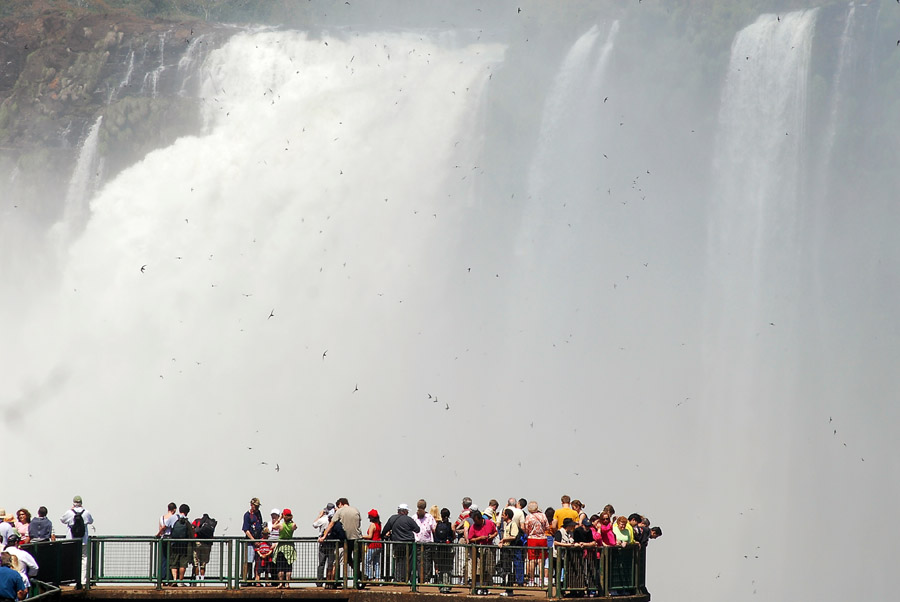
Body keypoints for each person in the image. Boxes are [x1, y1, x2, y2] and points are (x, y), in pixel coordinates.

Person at [320, 498, 361, 581]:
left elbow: (331, 524)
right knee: (356, 559)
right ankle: (358, 576)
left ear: (341, 504)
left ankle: (339, 580)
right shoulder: (356, 510)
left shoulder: (340, 511)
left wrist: (324, 536)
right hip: (357, 539)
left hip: (346, 539)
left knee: (344, 560)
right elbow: (359, 524)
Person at [59, 495, 93, 587]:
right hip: (84, 540)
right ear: (81, 503)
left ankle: (71, 580)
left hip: (71, 540)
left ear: (73, 502)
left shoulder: (69, 512)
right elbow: (91, 521)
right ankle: (83, 581)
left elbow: (62, 520)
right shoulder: (86, 512)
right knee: (84, 559)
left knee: (71, 559)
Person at [381, 503, 419, 582]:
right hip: (409, 544)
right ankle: (407, 579)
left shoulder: (392, 518)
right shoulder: (409, 519)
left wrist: (384, 536)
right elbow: (417, 529)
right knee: (409, 561)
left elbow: (384, 530)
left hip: (397, 543)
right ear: (405, 511)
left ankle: (398, 579)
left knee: (399, 561)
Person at [466, 505, 497, 595]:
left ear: (480, 519)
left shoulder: (489, 523)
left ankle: (486, 587)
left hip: (489, 548)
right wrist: (479, 538)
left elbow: (495, 532)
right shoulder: (473, 527)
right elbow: (470, 539)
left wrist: (492, 536)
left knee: (489, 568)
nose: (475, 522)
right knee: (479, 569)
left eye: (476, 520)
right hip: (479, 549)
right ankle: (479, 586)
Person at [165, 504, 193, 585]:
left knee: (174, 562)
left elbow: (166, 526)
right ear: (187, 512)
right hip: (184, 544)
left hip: (174, 543)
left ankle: (174, 580)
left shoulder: (173, 517)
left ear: (179, 510)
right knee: (183, 563)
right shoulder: (188, 520)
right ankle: (180, 581)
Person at [524, 501, 549, 586]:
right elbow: (547, 527)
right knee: (541, 560)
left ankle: (531, 580)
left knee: (532, 560)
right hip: (542, 539)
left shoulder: (528, 517)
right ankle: (541, 580)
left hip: (532, 539)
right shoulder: (543, 516)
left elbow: (526, 529)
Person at [412, 499, 436, 583]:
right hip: (428, 541)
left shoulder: (414, 517)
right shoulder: (429, 517)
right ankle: (426, 579)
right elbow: (434, 529)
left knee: (419, 561)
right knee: (427, 561)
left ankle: (420, 579)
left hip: (417, 542)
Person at [312, 503, 336, 586]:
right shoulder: (335, 519)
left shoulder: (322, 519)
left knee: (321, 563)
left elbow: (314, 524)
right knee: (331, 563)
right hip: (332, 543)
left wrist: (319, 515)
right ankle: (330, 581)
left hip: (323, 542)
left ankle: (319, 581)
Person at [241, 498, 264, 581]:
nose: (257, 508)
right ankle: (246, 579)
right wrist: (253, 540)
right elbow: (245, 530)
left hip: (258, 541)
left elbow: (260, 526)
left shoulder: (258, 514)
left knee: (258, 562)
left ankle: (256, 579)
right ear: (251, 505)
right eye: (255, 506)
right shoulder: (247, 515)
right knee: (248, 561)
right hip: (250, 543)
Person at [433, 508, 454, 593]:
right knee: (448, 568)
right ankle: (447, 585)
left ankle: (441, 586)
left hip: (439, 548)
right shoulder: (450, 525)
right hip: (448, 549)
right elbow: (453, 536)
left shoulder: (437, 525)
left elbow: (435, 534)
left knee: (440, 567)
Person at [274, 509, 297, 589]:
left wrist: (279, 519)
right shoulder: (293, 525)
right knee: (288, 567)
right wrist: (290, 519)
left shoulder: (281, 525)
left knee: (280, 567)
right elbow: (295, 526)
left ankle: (281, 583)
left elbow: (273, 526)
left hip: (281, 547)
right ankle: (287, 584)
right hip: (290, 547)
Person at [191, 513, 216, 581]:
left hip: (197, 543)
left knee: (196, 562)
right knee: (203, 563)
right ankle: (202, 580)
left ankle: (197, 579)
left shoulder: (197, 521)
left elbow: (192, 527)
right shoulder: (210, 523)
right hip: (207, 544)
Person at [156, 503, 176, 583]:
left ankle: (162, 578)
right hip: (171, 539)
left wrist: (158, 534)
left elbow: (160, 528)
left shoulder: (162, 517)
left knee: (163, 559)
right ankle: (170, 578)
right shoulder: (174, 518)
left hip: (163, 539)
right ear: (174, 509)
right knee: (172, 559)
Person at [363, 509, 382, 582]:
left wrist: (361, 536)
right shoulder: (379, 524)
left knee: (367, 561)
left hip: (372, 545)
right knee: (377, 563)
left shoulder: (372, 525)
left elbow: (370, 536)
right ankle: (377, 578)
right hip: (379, 545)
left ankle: (369, 577)